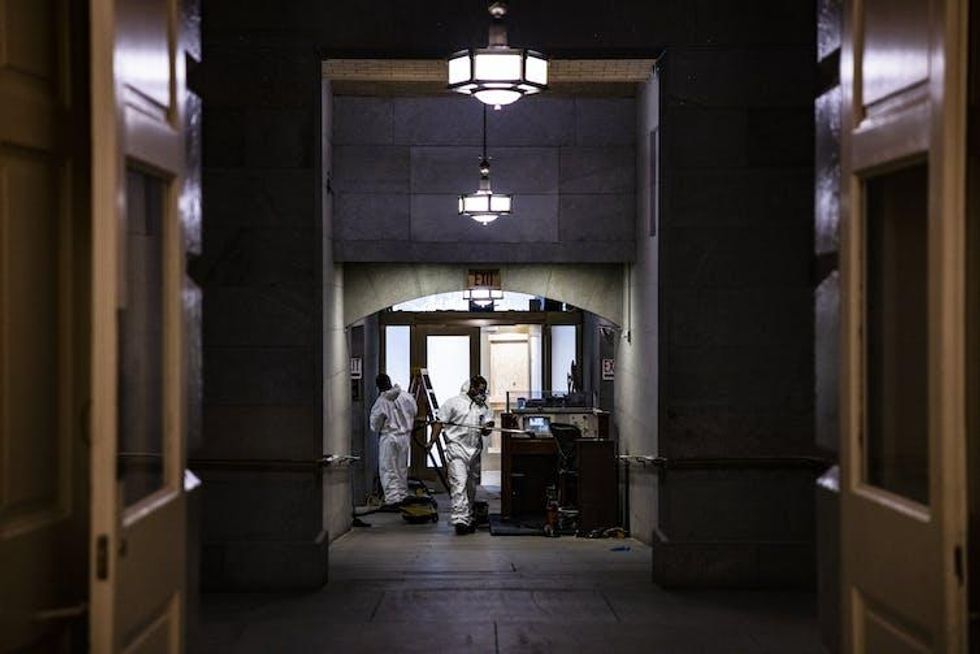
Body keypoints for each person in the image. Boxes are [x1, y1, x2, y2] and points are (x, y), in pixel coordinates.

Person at [437, 375, 493, 535]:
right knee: (459, 484)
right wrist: (431, 441)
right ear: (472, 388)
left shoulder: (482, 407)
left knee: (470, 487)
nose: (482, 394)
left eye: (484, 390)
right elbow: (439, 422)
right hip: (456, 449)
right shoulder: (453, 403)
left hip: (474, 450)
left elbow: (487, 427)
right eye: (480, 390)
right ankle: (460, 520)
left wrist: (487, 427)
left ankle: (467, 515)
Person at [369, 373, 417, 507]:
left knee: (388, 468)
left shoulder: (381, 401)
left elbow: (375, 424)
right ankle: (402, 495)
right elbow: (414, 411)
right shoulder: (406, 396)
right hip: (405, 437)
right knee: (402, 468)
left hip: (389, 437)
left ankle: (393, 499)